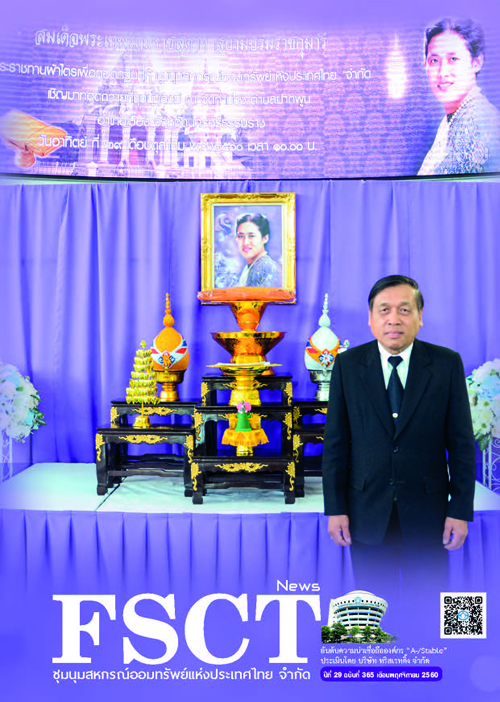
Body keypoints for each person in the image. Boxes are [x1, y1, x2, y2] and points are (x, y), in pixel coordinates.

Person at [322, 275, 476, 588]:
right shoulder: (348, 365)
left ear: (420, 316)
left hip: (428, 517)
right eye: (384, 310)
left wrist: (460, 511)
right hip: (366, 515)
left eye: (404, 310)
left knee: (429, 606)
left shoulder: (446, 364)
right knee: (374, 611)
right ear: (370, 318)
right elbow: (336, 443)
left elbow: (461, 444)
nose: (394, 319)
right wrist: (335, 509)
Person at [418, 18, 500, 176]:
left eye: (453, 59)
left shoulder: (480, 122)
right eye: (434, 61)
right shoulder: (451, 120)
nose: (442, 72)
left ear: (476, 62)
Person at [234, 213, 281, 287]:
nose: (245, 242)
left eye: (251, 236)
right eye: (241, 236)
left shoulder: (266, 268)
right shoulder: (250, 267)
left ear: (265, 238)